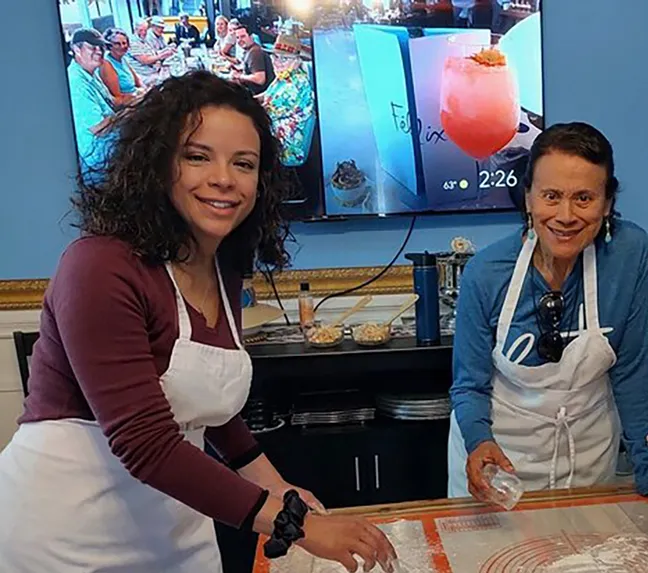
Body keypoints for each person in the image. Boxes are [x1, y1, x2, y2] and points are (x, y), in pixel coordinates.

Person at [0, 71, 396, 573]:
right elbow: (144, 443)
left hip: (172, 528)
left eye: (243, 164)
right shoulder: (99, 266)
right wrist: (293, 524)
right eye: (197, 156)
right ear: (158, 164)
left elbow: (209, 411)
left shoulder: (222, 268)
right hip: (64, 536)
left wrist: (280, 490)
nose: (224, 178)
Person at [448, 122, 648, 515]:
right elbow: (468, 386)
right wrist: (479, 442)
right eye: (551, 196)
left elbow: (630, 372)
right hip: (499, 465)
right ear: (528, 198)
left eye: (584, 198)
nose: (565, 215)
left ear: (607, 202)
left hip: (587, 462)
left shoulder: (628, 254)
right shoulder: (486, 271)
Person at [257, 31, 316, 167]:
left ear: (297, 61)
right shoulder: (285, 76)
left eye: (284, 58)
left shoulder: (294, 85)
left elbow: (262, 115)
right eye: (275, 57)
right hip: (274, 140)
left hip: (286, 153)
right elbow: (268, 94)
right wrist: (251, 97)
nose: (277, 62)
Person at [65, 28, 116, 175]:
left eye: (101, 47)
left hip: (111, 145)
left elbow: (110, 102)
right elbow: (99, 129)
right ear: (76, 49)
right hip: (99, 161)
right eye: (92, 47)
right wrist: (127, 114)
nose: (99, 51)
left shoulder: (91, 74)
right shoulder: (76, 82)